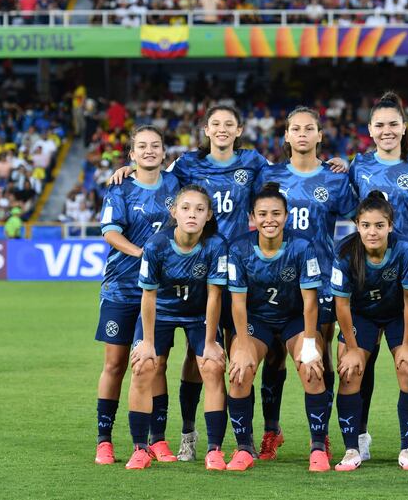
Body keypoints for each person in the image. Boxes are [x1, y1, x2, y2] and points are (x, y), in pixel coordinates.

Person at [110, 106, 346, 461]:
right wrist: (132, 170)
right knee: (204, 358)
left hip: (263, 274)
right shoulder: (187, 165)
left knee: (285, 359)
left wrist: (339, 163)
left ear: (239, 130)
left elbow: (296, 171)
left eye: (229, 124)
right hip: (210, 275)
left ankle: (276, 432)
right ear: (206, 129)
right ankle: (191, 434)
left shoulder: (255, 164)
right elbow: (157, 172)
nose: (222, 129)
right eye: (216, 124)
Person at [252, 107, 357, 460]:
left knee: (319, 357)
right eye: (295, 129)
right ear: (286, 136)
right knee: (274, 357)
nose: (301, 134)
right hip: (275, 282)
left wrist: (348, 165)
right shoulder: (269, 175)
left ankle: (320, 436)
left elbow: (366, 216)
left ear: (319, 136)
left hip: (321, 282)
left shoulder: (335, 179)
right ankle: (271, 430)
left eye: (308, 128)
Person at [348, 92, 408, 461]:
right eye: (380, 125)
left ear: (404, 127)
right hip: (367, 276)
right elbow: (357, 209)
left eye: (393, 124)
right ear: (370, 130)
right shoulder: (358, 167)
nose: (387, 130)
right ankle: (359, 434)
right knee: (363, 360)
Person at [225, 183, 330, 472]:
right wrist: (243, 345)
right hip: (256, 321)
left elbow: (311, 302)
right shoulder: (239, 249)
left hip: (295, 319)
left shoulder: (302, 247)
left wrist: (310, 344)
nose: (269, 219)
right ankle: (244, 447)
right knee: (240, 371)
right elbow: (237, 303)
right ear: (252, 218)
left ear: (286, 216)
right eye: (262, 214)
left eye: (276, 213)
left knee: (312, 368)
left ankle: (318, 446)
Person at [125, 184, 229, 470]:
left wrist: (210, 342)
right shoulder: (157, 245)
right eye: (185, 208)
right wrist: (146, 342)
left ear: (209, 215)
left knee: (212, 366)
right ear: (174, 212)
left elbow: (215, 296)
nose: (192, 214)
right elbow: (148, 295)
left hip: (198, 315)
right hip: (160, 314)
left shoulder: (216, 245)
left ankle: (214, 449)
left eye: (199, 209)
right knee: (144, 365)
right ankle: (141, 447)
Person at [94, 125, 180, 465]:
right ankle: (104, 440)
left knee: (156, 364)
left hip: (161, 293)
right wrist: (143, 253)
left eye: (155, 146)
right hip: (122, 289)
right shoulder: (120, 189)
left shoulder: (176, 185)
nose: (148, 151)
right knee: (115, 364)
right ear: (131, 155)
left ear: (163, 152)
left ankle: (157, 440)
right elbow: (111, 233)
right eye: (141, 146)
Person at [331, 192, 408, 472]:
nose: (373, 232)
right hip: (361, 315)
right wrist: (350, 348)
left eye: (379, 225)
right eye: (366, 225)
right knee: (349, 373)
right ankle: (351, 449)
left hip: (398, 315)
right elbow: (342, 304)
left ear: (390, 226)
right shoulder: (345, 253)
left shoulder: (406, 250)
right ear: (357, 225)